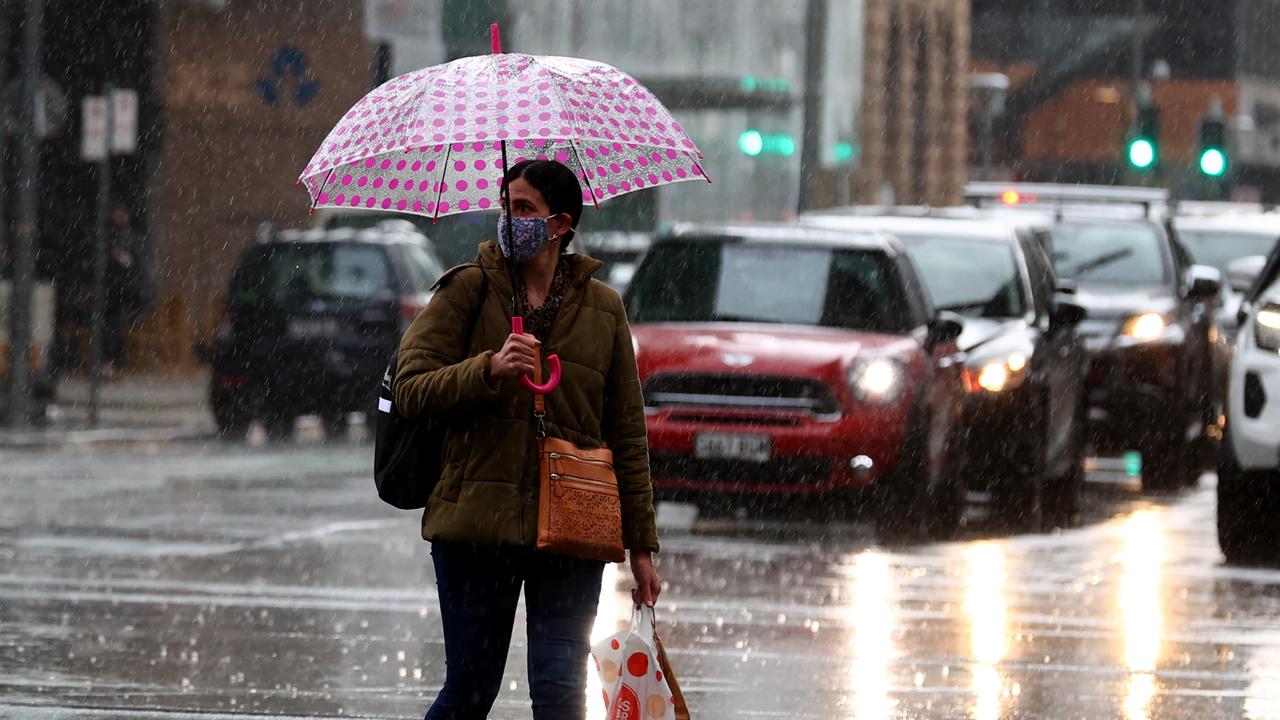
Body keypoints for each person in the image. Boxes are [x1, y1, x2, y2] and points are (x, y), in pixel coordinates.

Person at [395, 159, 661, 720]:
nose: (508, 220)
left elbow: (627, 434)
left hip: (572, 526)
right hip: (476, 525)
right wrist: (487, 369)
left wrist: (641, 546)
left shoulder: (604, 309)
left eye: (524, 209)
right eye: (505, 206)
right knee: (470, 690)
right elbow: (411, 388)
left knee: (562, 697)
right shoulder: (467, 289)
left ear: (561, 224)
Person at [102, 204, 154, 377]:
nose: (117, 218)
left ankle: (112, 361)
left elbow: (137, 264)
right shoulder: (111, 238)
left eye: (121, 214)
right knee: (111, 323)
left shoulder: (134, 239)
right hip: (118, 290)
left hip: (129, 291)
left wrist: (124, 259)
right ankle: (110, 362)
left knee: (115, 323)